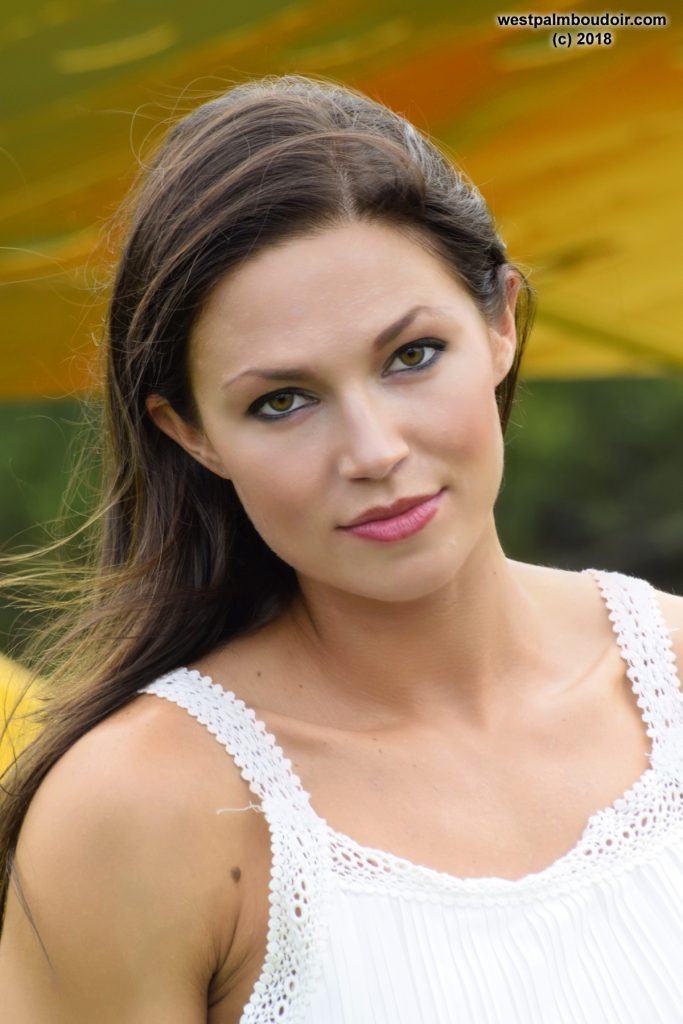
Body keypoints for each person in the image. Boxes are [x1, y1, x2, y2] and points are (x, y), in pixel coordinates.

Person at [1, 72, 682, 1024]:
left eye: (411, 356)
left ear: (498, 325)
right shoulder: (138, 813)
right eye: (281, 401)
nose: (374, 452)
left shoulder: (674, 676)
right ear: (191, 432)